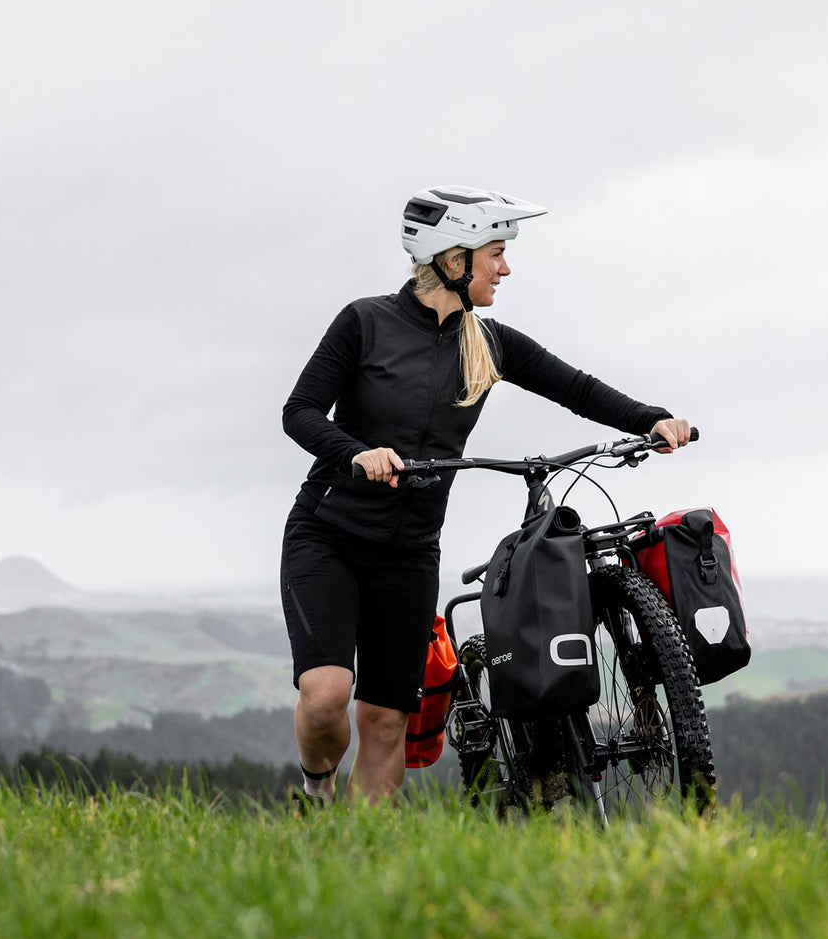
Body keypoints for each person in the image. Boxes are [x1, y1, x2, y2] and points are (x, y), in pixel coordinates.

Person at [280, 185, 692, 805]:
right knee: (327, 696)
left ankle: (355, 862)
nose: (505, 267)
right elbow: (300, 411)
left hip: (410, 552)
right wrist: (355, 452)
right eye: (494, 253)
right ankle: (316, 787)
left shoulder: (489, 343)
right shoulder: (364, 322)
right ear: (453, 258)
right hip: (329, 535)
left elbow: (575, 387)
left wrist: (649, 418)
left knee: (387, 721)